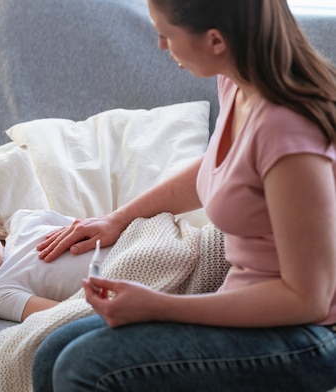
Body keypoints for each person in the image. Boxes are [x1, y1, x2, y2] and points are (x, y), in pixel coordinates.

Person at [32, 0, 336, 390]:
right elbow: (219, 166)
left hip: (309, 331)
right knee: (52, 351)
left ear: (215, 40)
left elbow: (307, 299)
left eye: (166, 34)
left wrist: (158, 306)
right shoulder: (236, 83)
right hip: (251, 304)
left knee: (83, 366)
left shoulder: (289, 132)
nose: (160, 45)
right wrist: (117, 219)